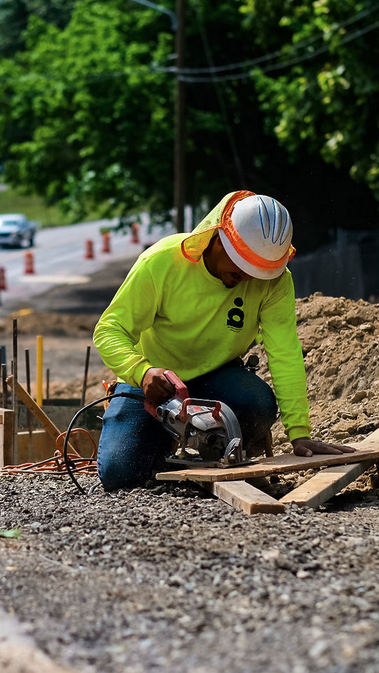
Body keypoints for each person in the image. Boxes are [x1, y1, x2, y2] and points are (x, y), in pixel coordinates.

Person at [92, 191, 355, 490]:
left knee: (258, 404)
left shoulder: (275, 281)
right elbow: (109, 329)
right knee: (119, 473)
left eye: (257, 272)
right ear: (218, 239)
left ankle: (219, 455)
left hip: (219, 375)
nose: (247, 277)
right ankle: (164, 448)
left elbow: (285, 352)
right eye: (241, 266)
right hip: (154, 381)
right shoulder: (161, 262)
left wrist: (299, 433)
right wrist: (141, 372)